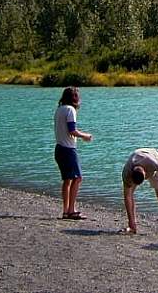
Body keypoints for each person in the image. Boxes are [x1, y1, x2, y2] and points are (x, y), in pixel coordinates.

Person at [53, 86, 92, 220]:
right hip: (68, 149)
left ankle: (66, 211)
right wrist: (85, 136)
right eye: (77, 96)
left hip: (59, 148)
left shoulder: (59, 109)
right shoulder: (70, 110)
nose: (79, 98)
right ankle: (71, 210)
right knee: (77, 178)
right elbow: (72, 130)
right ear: (74, 98)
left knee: (67, 180)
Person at [121, 147, 158, 236]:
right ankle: (132, 226)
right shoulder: (127, 172)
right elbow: (127, 197)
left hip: (154, 156)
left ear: (145, 172)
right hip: (137, 161)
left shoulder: (153, 163)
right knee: (127, 195)